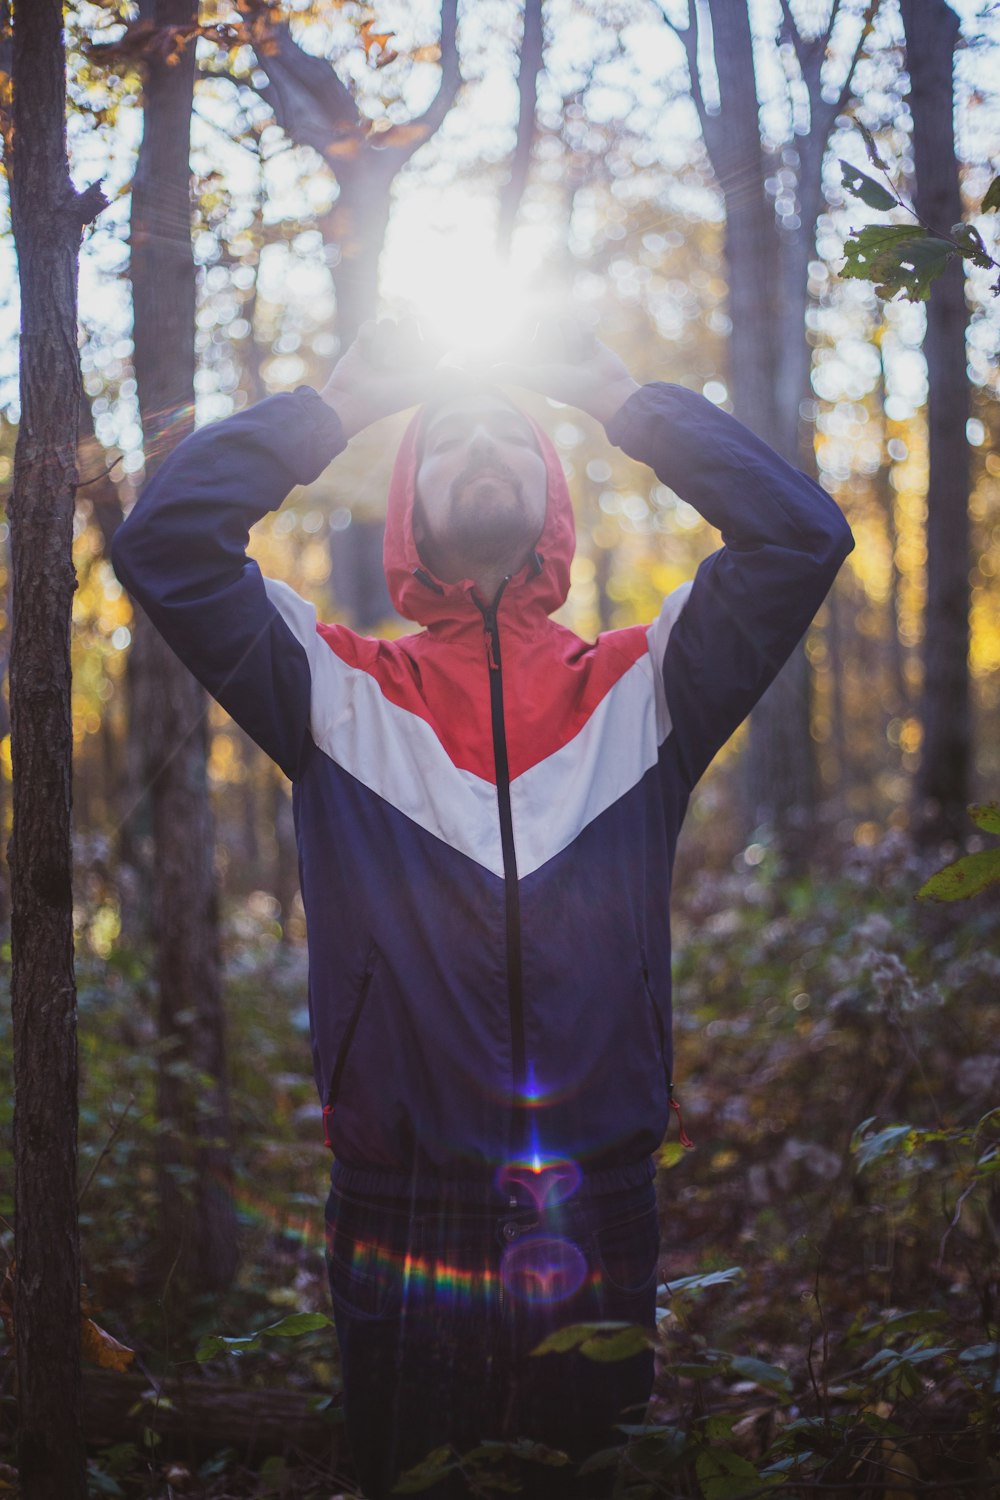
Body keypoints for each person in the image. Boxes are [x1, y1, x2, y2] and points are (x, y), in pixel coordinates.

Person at [111, 319, 853, 1497]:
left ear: (553, 504)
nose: (480, 446)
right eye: (446, 436)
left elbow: (802, 534)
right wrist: (334, 409)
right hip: (402, 1200)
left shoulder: (646, 686)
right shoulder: (341, 692)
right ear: (409, 513)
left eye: (508, 432)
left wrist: (624, 401)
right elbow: (166, 542)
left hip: (596, 1193)